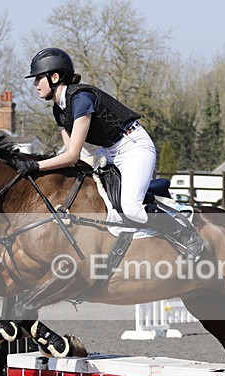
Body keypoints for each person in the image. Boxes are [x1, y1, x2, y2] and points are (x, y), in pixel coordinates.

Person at [17, 47, 204, 260]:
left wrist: (35, 166)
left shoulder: (81, 99)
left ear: (55, 77)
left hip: (134, 146)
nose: (35, 84)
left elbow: (72, 155)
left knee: (131, 209)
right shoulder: (58, 110)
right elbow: (72, 157)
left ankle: (189, 237)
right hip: (110, 151)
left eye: (38, 78)